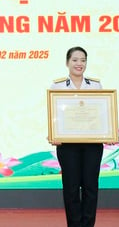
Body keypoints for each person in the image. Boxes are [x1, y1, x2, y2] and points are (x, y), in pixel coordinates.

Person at [49, 46, 105, 227]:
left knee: (90, 187)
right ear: (67, 63)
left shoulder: (95, 85)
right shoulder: (57, 86)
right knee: (71, 189)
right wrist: (54, 134)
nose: (79, 64)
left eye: (83, 60)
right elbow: (54, 115)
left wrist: (108, 132)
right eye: (75, 60)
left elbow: (103, 113)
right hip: (68, 145)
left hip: (92, 144)